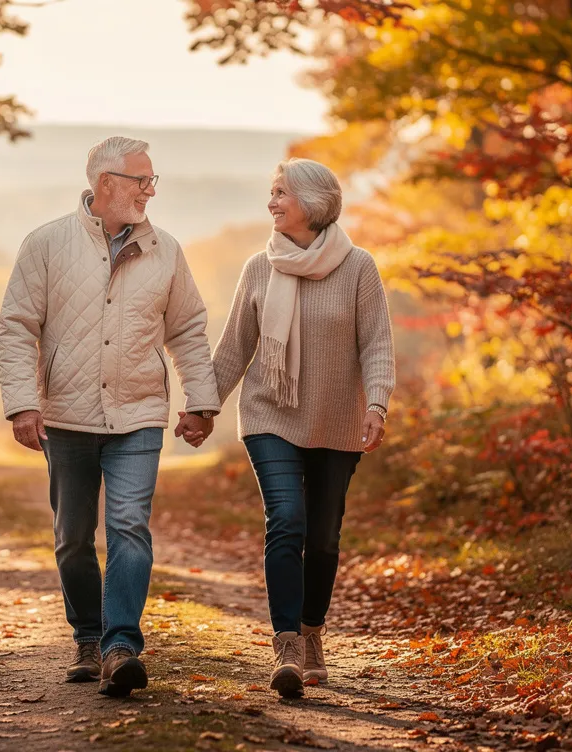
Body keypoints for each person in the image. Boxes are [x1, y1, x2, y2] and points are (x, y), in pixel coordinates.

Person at [0, 136, 219, 697]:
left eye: (152, 181)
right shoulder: (46, 245)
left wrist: (201, 399)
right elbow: (18, 326)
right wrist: (23, 403)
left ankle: (121, 645)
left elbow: (188, 328)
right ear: (104, 185)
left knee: (128, 526)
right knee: (73, 537)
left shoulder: (166, 250)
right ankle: (87, 638)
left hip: (139, 414)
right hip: (67, 416)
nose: (150, 190)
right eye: (140, 180)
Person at [204, 158, 395, 698]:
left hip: (336, 418)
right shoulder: (258, 268)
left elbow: (377, 344)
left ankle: (313, 632)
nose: (271, 203)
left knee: (324, 537)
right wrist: (203, 407)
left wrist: (375, 404)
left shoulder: (358, 267)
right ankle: (286, 643)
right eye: (271, 192)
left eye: (281, 193)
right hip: (270, 413)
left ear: (312, 203)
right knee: (286, 519)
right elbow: (235, 347)